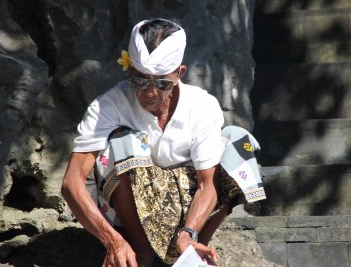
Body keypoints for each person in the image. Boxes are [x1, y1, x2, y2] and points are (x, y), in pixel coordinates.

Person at [61, 18, 265, 267]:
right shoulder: (108, 105)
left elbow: (207, 184)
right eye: (140, 81)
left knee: (238, 141)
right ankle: (140, 253)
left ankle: (189, 254)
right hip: (131, 212)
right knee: (121, 140)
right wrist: (112, 240)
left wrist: (188, 233)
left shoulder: (201, 105)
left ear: (179, 74)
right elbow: (71, 182)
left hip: (187, 213)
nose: (149, 93)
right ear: (129, 70)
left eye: (161, 84)